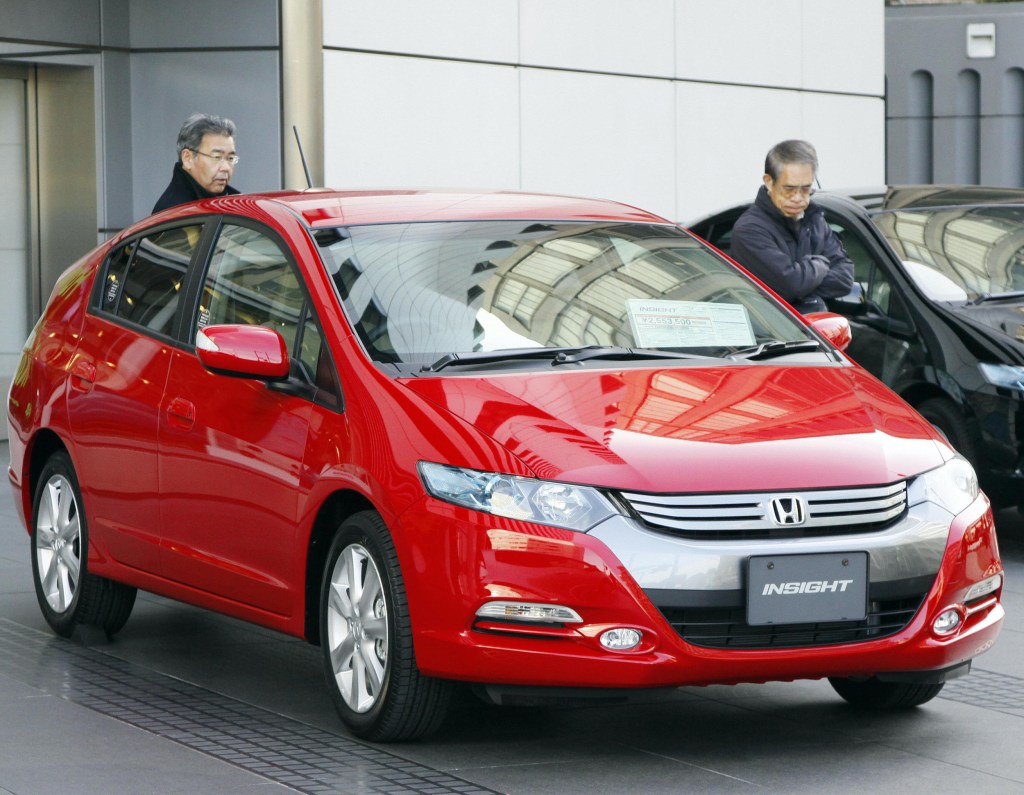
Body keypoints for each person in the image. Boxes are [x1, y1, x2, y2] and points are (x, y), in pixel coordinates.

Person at [729, 139, 854, 314]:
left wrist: (803, 284)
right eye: (789, 189)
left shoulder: (815, 220)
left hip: (816, 334)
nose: (797, 197)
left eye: (805, 189)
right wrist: (820, 263)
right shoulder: (749, 229)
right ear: (769, 182)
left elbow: (844, 279)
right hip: (772, 337)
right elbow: (791, 285)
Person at [152, 113, 240, 213]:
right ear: (188, 158)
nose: (226, 168)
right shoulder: (174, 213)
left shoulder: (236, 203)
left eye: (230, 158)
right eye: (217, 157)